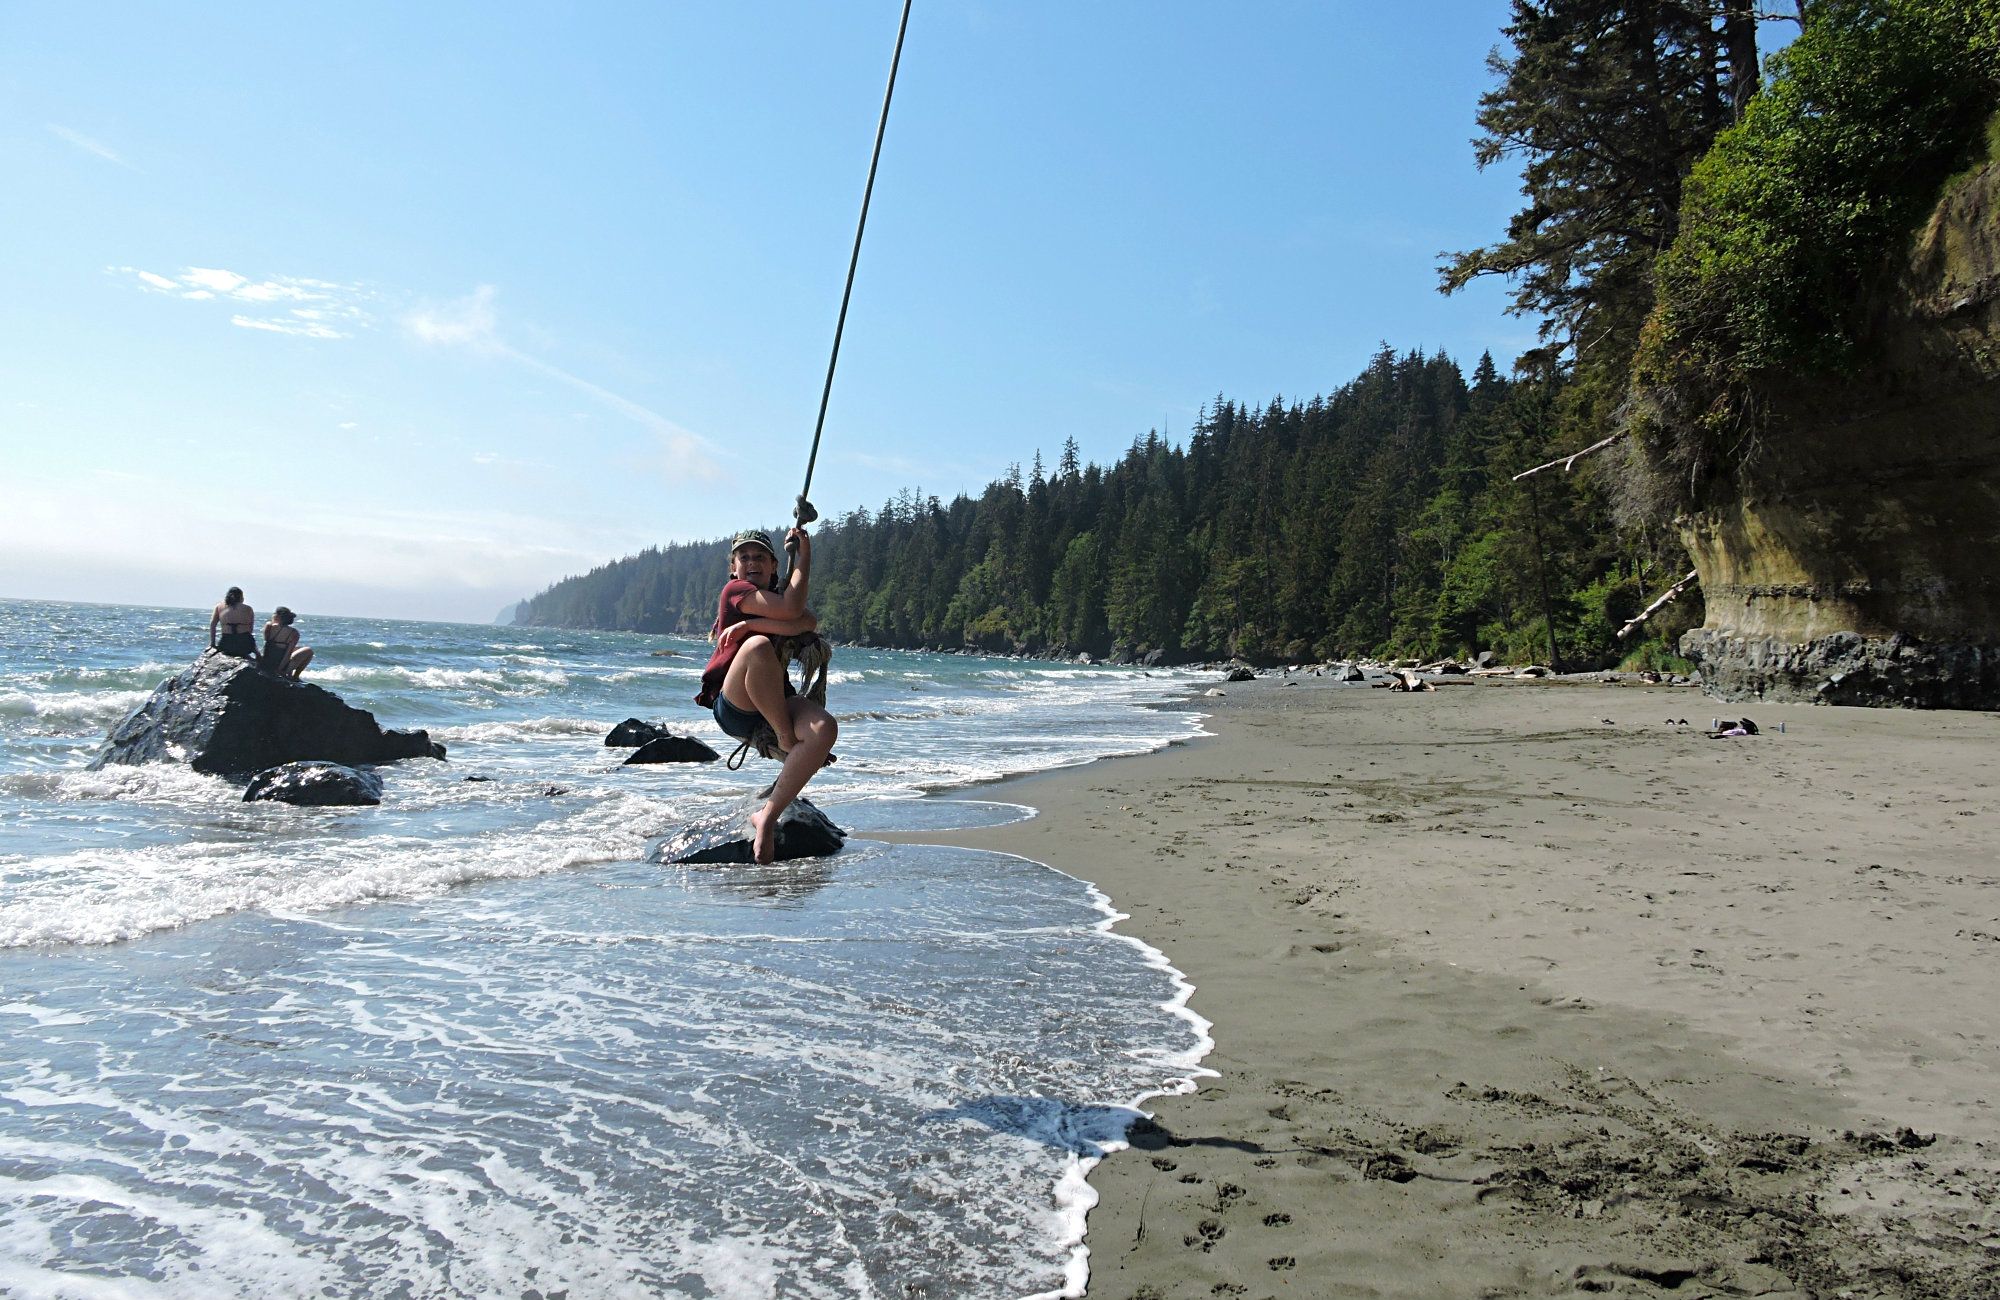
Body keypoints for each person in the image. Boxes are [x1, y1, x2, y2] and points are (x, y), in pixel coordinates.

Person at [695, 527, 838, 864]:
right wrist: (805, 555)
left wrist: (748, 627)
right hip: (736, 705)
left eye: (760, 556)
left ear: (775, 566)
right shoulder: (735, 591)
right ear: (733, 568)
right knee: (758, 647)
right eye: (743, 557)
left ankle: (767, 817)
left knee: (824, 730)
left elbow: (806, 621)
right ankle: (786, 738)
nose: (751, 562)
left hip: (774, 699)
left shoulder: (770, 601)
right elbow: (793, 611)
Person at [261, 606, 314, 680]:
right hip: (279, 666)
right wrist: (281, 669)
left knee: (297, 648)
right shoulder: (294, 632)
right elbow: (287, 653)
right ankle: (295, 676)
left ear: (277, 616)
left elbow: (266, 644)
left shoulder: (269, 626)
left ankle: (290, 674)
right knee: (309, 650)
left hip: (266, 662)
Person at [208, 587, 256, 658]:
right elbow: (250, 628)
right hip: (244, 645)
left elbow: (212, 625)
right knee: (255, 651)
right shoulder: (248, 608)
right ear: (241, 597)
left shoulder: (219, 607)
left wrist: (213, 644)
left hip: (226, 644)